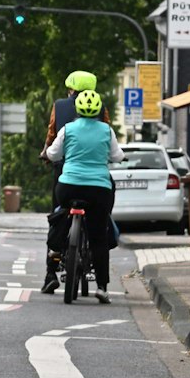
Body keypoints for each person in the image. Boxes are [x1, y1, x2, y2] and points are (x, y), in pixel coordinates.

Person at [41, 90, 117, 303]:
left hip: (69, 187)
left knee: (60, 215)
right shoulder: (107, 131)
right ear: (99, 111)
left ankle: (56, 252)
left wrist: (50, 154)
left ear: (76, 109)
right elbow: (117, 155)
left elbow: (53, 154)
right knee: (99, 235)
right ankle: (102, 287)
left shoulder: (68, 129)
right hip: (98, 190)